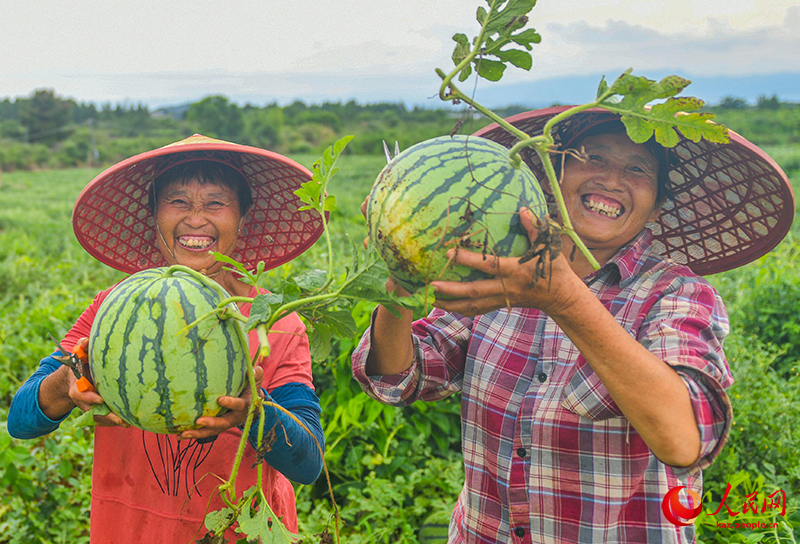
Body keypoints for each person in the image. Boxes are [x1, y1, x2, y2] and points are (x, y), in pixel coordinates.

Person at [351, 107, 795, 543]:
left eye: (638, 169)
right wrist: (403, 272)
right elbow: (399, 376)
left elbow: (685, 440)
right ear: (552, 174)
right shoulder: (499, 269)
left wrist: (563, 298)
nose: (612, 180)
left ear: (658, 206)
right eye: (593, 156)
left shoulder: (675, 294)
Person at [8, 134, 327, 542]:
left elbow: (309, 463)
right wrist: (67, 380)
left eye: (215, 202)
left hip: (240, 531)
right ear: (154, 215)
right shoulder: (114, 308)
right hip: (128, 530)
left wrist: (255, 413)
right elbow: (20, 422)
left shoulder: (276, 322)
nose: (196, 219)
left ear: (243, 216)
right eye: (177, 201)